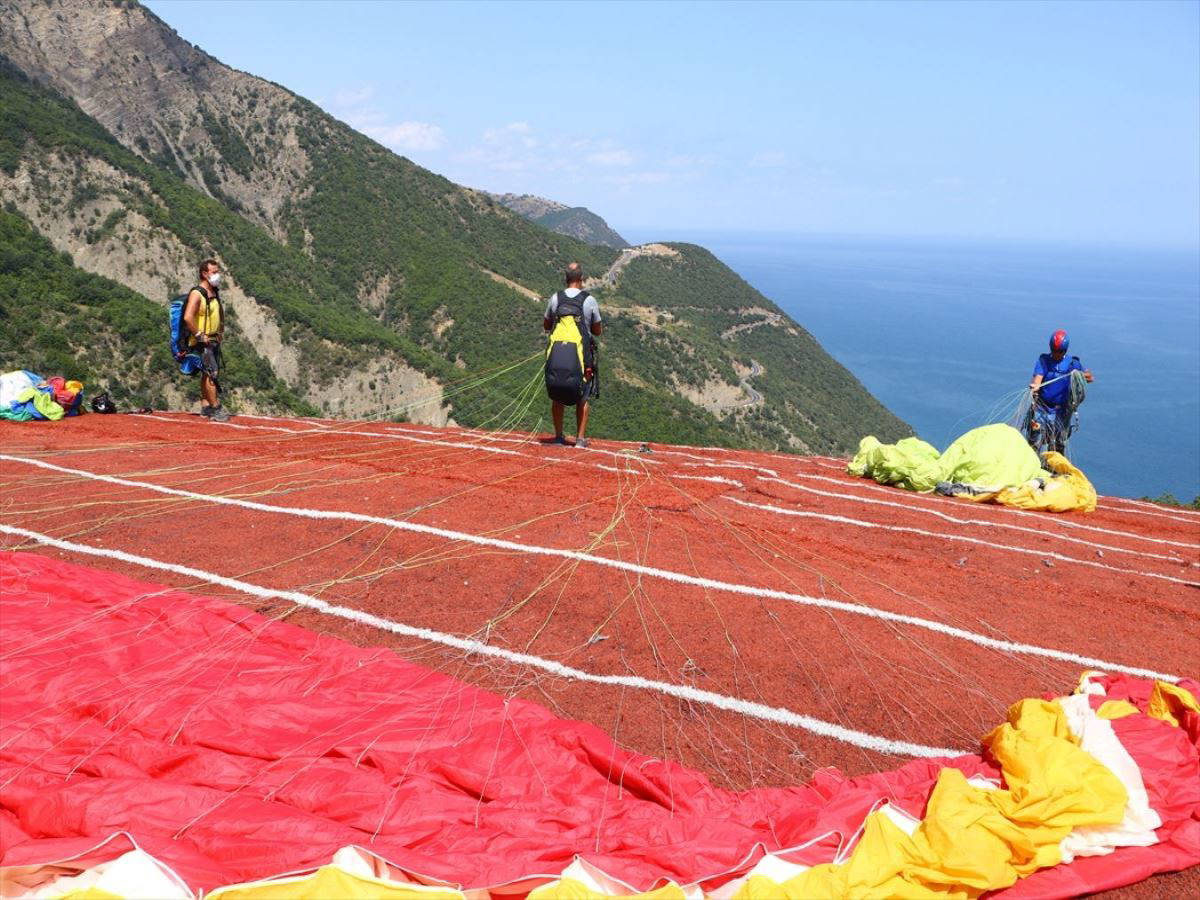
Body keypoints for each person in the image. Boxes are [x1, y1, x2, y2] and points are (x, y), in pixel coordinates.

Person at [543, 261, 602, 447]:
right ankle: (580, 439)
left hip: (556, 355)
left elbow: (546, 325)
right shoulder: (589, 300)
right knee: (583, 396)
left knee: (557, 395)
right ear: (581, 279)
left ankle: (558, 436)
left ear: (566, 278)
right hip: (581, 355)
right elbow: (597, 330)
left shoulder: (555, 298)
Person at [1029, 329, 1093, 452]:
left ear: (1065, 350)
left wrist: (1080, 375)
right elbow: (1038, 378)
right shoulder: (1044, 361)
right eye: (1053, 350)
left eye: (1059, 351)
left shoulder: (1073, 364)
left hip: (1061, 412)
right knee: (1034, 441)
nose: (1055, 353)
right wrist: (1035, 386)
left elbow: (1090, 378)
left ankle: (1054, 462)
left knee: (1058, 445)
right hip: (1042, 408)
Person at [183, 259, 231, 422]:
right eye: (214, 272)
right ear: (204, 274)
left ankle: (206, 406)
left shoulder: (214, 291)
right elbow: (188, 317)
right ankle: (216, 408)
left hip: (213, 339)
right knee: (212, 373)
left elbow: (218, 313)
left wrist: (220, 331)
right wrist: (199, 335)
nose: (217, 275)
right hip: (202, 342)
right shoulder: (197, 294)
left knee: (206, 373)